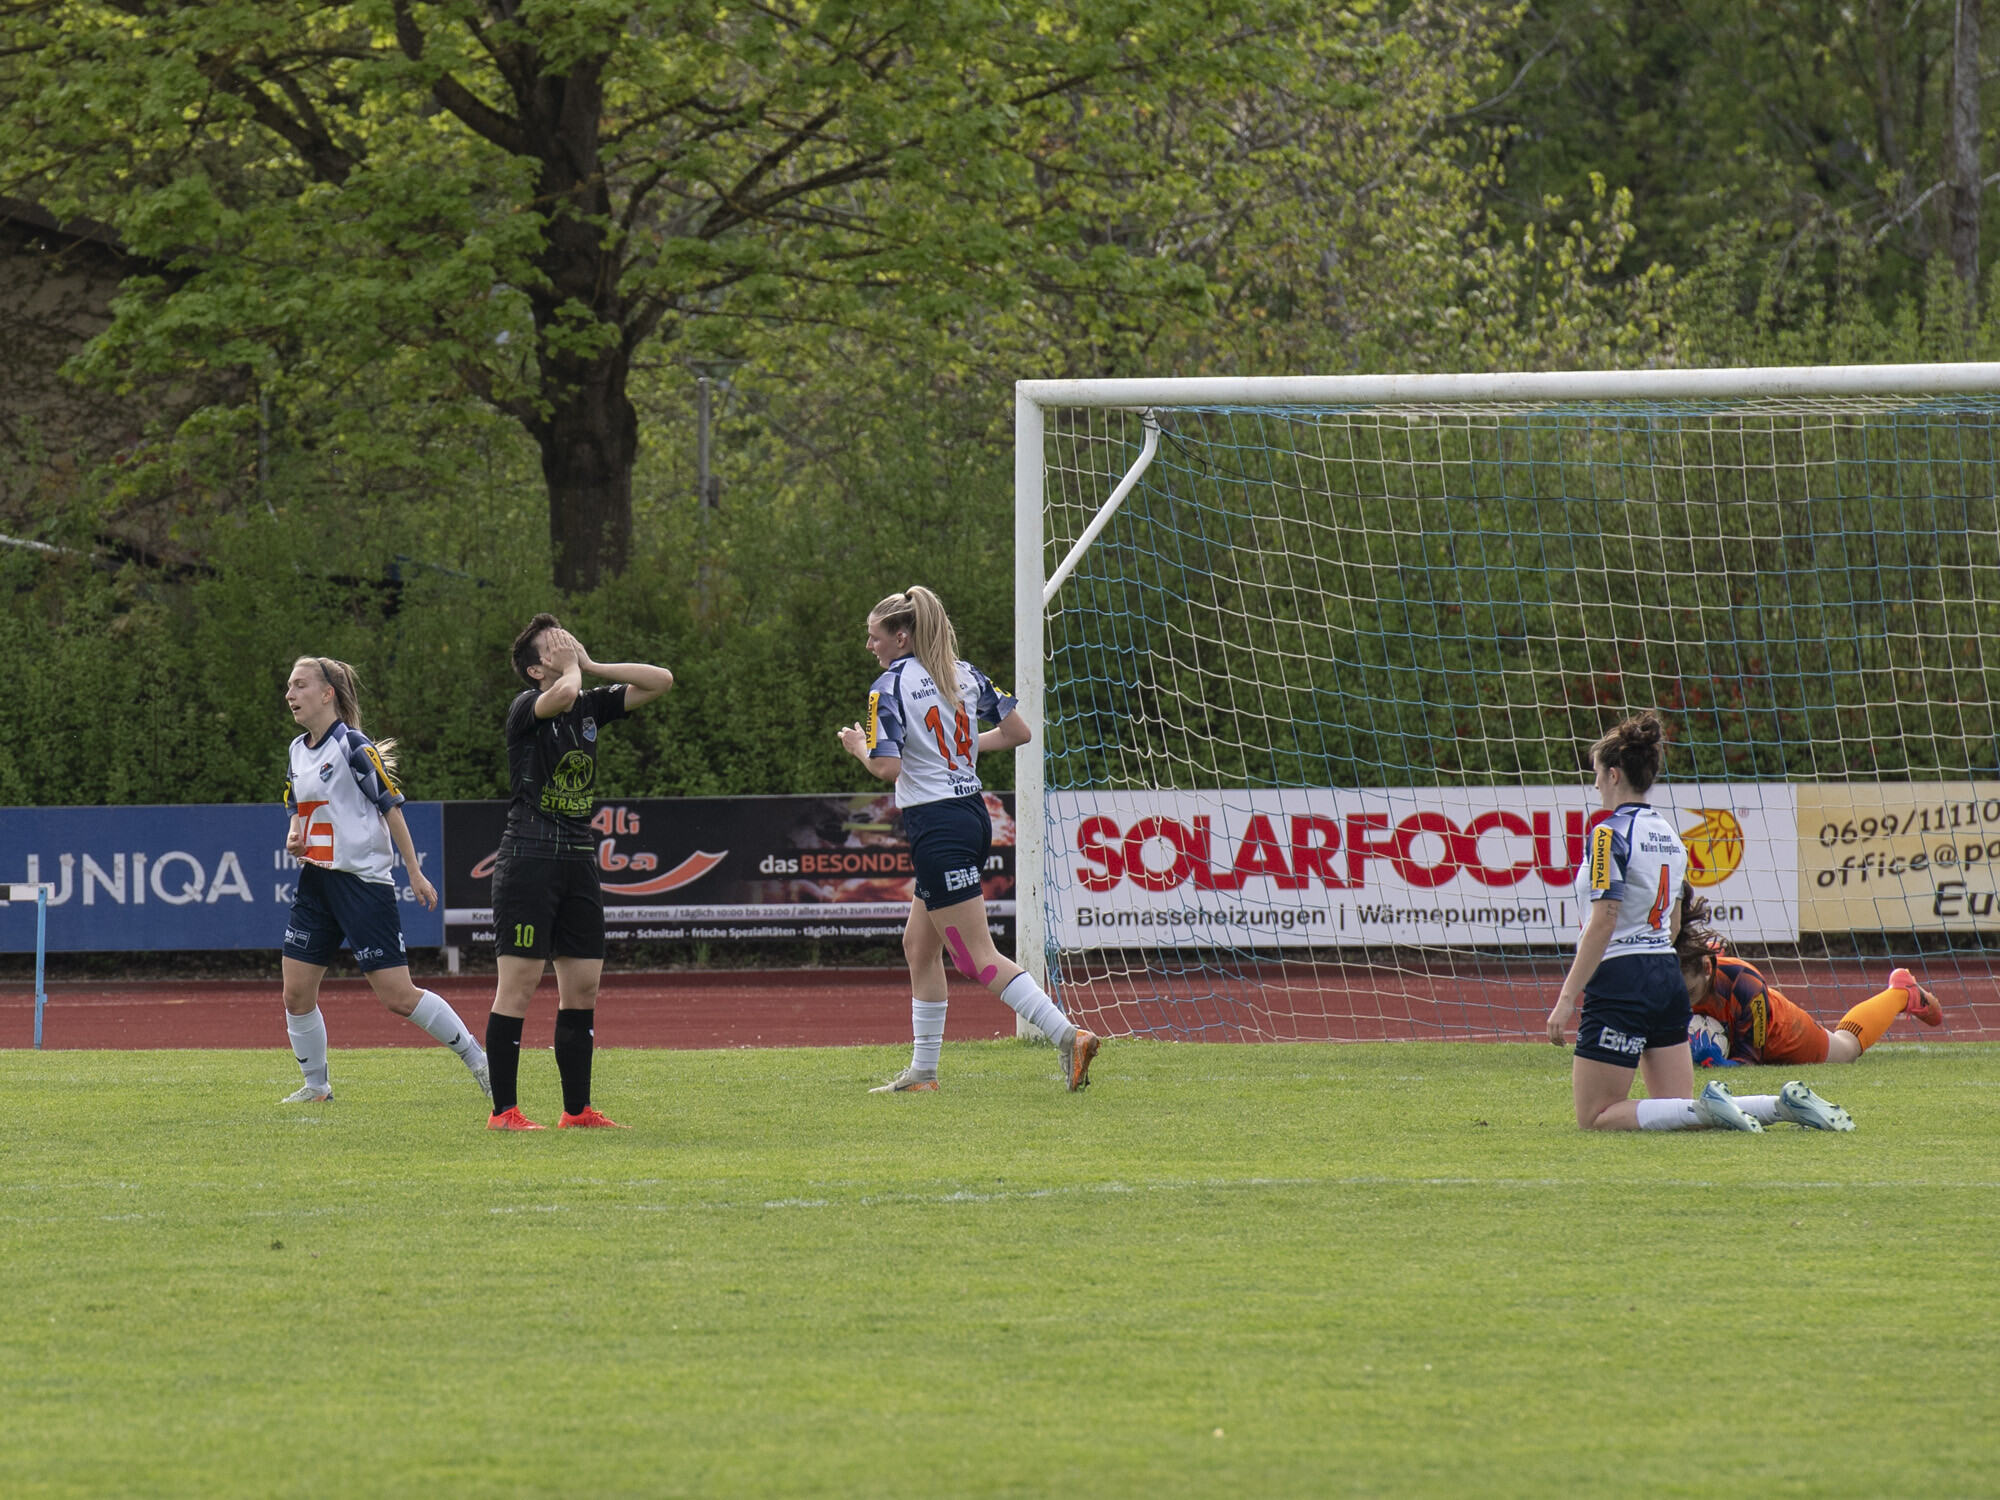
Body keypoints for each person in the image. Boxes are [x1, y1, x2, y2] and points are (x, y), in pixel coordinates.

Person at [835, 586, 1099, 1093]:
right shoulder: (964, 673)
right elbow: (1018, 732)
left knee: (975, 956)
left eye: (874, 636)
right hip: (972, 815)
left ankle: (1069, 1036)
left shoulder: (887, 686)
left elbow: (887, 767)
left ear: (901, 637)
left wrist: (857, 746)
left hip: (937, 825)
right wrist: (952, 750)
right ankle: (923, 1073)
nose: (870, 645)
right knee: (918, 946)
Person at [1544, 711, 1852, 1132]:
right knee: (1677, 1109)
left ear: (1614, 775)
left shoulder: (1607, 834)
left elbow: (1604, 920)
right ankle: (1778, 1106)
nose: (1595, 784)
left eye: (1597, 773)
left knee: (1595, 1116)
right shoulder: (1669, 835)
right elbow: (1672, 927)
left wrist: (1566, 998)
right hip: (1666, 976)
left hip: (1621, 977)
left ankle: (1712, 1109)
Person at [484, 616, 673, 1130]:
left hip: (578, 860)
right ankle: (504, 1112)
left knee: (583, 987)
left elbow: (661, 680)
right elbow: (564, 693)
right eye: (555, 646)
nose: (567, 646)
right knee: (519, 986)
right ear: (535, 668)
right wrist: (572, 669)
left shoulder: (588, 702)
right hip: (528, 859)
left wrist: (590, 663)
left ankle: (577, 1111)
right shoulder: (527, 705)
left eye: (568, 640)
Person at [279, 656, 489, 1103]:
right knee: (296, 994)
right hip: (316, 884)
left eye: (299, 685)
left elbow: (390, 807)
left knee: (398, 997)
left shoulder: (352, 745)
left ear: (327, 694)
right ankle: (317, 1087)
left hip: (362, 885)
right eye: (289, 686)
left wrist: (413, 871)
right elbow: (296, 807)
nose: (290, 694)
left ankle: (480, 1060)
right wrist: (295, 835)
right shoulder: (297, 749)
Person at [1675, 890, 1945, 1066]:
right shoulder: (1677, 975)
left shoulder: (1744, 984)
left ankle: (1901, 993)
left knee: (1846, 1050)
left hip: (1783, 1034)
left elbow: (1748, 1061)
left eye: (1689, 993)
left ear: (1707, 969)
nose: (1685, 1003)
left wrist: (1712, 1062)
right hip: (1743, 1022)